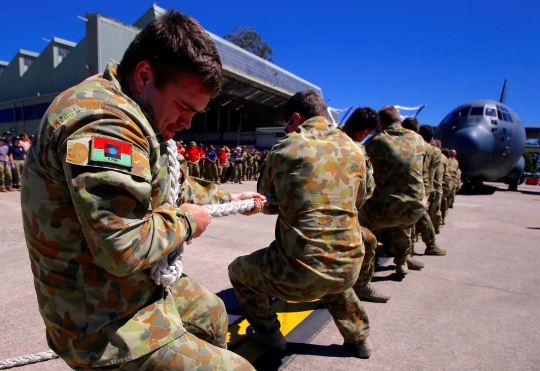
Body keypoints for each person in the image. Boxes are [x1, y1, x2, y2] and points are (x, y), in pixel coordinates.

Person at [21, 10, 264, 370]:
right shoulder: (107, 123)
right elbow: (122, 248)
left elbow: (167, 186)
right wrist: (186, 222)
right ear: (144, 76)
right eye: (184, 107)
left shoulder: (137, 114)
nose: (187, 123)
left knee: (212, 313)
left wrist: (230, 199)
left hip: (131, 291)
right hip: (101, 321)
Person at [229, 90, 373, 358]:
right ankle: (360, 338)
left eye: (287, 125)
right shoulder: (355, 149)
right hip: (351, 265)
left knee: (239, 271)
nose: (286, 130)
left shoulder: (285, 148)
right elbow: (362, 197)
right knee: (333, 275)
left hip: (299, 273)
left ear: (296, 118)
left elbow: (268, 203)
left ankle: (270, 334)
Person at [359, 106, 427, 275]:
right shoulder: (418, 140)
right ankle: (402, 261)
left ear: (380, 124)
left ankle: (365, 266)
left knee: (361, 224)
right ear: (400, 121)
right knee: (402, 223)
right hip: (415, 208)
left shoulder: (375, 142)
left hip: (385, 209)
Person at [339, 107, 391, 303]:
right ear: (363, 132)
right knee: (368, 241)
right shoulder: (358, 149)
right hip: (341, 217)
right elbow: (367, 190)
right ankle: (360, 285)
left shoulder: (324, 137)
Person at [401, 119, 446, 256]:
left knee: (412, 219)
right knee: (417, 218)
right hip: (422, 188)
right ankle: (427, 245)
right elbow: (434, 175)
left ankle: (408, 250)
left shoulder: (404, 145)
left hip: (405, 187)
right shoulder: (433, 151)